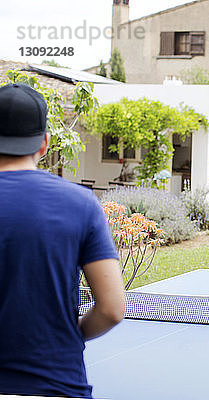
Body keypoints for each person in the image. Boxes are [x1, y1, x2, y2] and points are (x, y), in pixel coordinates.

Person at [0, 83, 125, 398]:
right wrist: (73, 335)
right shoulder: (80, 203)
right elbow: (111, 309)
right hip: (56, 383)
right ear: (44, 143)